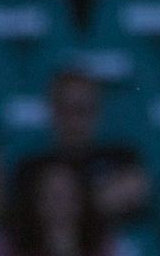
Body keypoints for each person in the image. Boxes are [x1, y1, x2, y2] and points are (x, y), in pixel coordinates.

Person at [12, 68, 150, 225]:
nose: (73, 121)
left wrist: (58, 204)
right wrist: (100, 201)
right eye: (65, 110)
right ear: (51, 110)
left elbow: (135, 191)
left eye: (81, 110)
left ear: (97, 111)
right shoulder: (31, 167)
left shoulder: (121, 157)